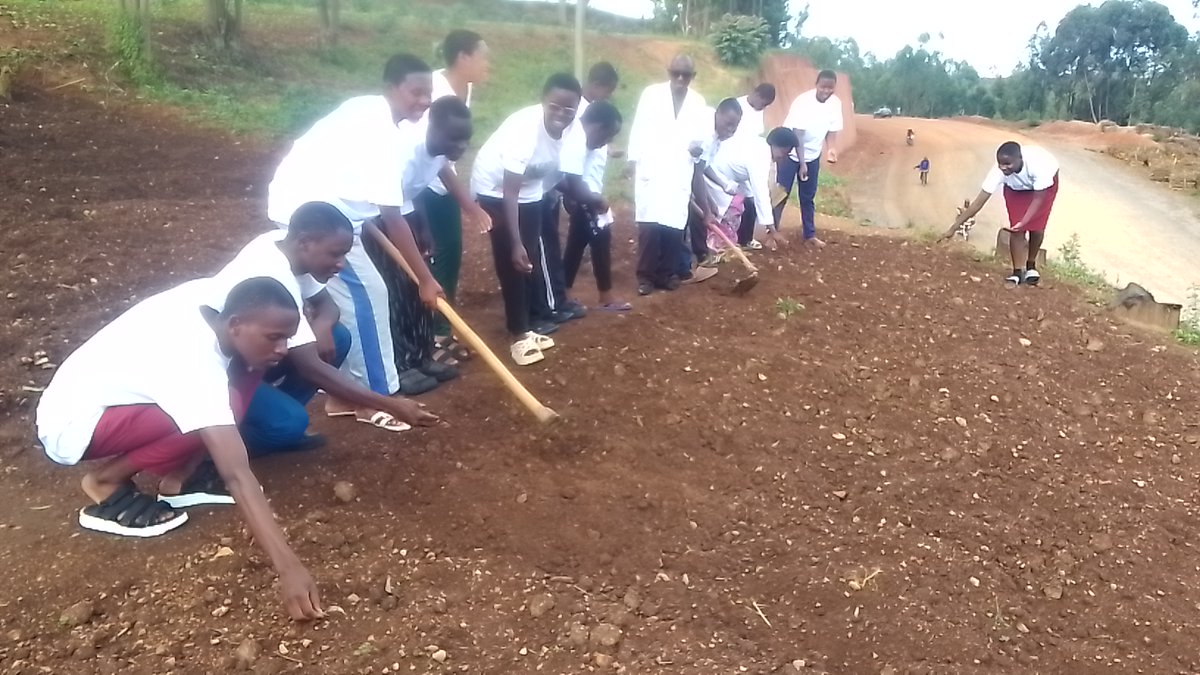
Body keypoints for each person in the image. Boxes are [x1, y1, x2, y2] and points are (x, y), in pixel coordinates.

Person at [36, 276, 324, 620]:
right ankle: (104, 482)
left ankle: (181, 477)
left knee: (235, 385)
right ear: (234, 324)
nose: (283, 349)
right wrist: (288, 566)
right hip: (73, 423)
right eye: (274, 338)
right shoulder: (192, 364)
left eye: (286, 338)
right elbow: (236, 474)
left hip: (118, 400)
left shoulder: (216, 302)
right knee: (217, 409)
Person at [267, 54, 443, 399]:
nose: (424, 101)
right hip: (314, 211)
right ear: (391, 88)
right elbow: (394, 217)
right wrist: (425, 279)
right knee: (369, 295)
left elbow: (354, 179)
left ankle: (343, 388)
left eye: (428, 93)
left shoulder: (367, 109)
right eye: (415, 92)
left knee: (340, 298)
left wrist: (360, 216)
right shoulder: (382, 136)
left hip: (310, 203)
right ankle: (376, 391)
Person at [215, 202, 438, 452]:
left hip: (250, 355)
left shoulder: (282, 244)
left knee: (337, 336)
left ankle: (271, 415)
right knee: (290, 424)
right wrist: (390, 404)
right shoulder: (274, 274)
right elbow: (310, 368)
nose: (341, 263)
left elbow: (328, 305)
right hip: (222, 371)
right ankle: (219, 444)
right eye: (335, 254)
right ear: (305, 243)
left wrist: (321, 327)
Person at [364, 96, 484, 382]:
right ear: (433, 128)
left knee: (415, 290)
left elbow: (419, 187)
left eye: (465, 140)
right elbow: (389, 211)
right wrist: (426, 279)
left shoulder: (439, 151)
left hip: (399, 213)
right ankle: (401, 365)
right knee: (395, 291)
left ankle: (422, 355)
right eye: (454, 139)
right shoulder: (404, 151)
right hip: (371, 218)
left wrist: (424, 227)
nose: (461, 146)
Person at [471, 73, 581, 366]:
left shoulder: (571, 129)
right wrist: (515, 241)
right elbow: (509, 192)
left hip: (531, 188)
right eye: (555, 106)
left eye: (568, 109)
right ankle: (517, 332)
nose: (561, 114)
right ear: (544, 100)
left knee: (528, 258)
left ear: (577, 107)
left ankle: (526, 323)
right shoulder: (525, 130)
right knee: (512, 257)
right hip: (495, 189)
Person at [418, 30, 492, 364]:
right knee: (437, 258)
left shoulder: (464, 89)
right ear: (463, 58)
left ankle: (441, 331)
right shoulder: (435, 90)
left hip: (442, 182)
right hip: (424, 187)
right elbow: (435, 160)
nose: (487, 63)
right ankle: (433, 336)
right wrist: (469, 205)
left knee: (451, 255)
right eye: (483, 56)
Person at [530, 61, 623, 324]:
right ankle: (592, 296)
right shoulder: (578, 117)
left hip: (572, 187)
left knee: (573, 242)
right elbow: (569, 169)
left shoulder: (590, 114)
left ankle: (563, 294)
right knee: (592, 237)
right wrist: (586, 198)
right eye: (608, 90)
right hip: (574, 189)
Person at [627, 54, 710, 296]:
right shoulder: (651, 95)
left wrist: (697, 149)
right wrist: (633, 162)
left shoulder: (698, 101)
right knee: (650, 226)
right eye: (676, 73)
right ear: (669, 72)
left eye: (686, 74)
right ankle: (646, 277)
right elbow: (638, 128)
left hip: (679, 170)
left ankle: (666, 274)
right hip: (652, 168)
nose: (681, 78)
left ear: (693, 77)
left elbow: (701, 138)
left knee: (674, 226)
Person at [942, 141, 1060, 286]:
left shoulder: (1039, 167)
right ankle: (1017, 272)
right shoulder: (998, 172)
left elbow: (1038, 199)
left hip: (1044, 188)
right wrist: (953, 228)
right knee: (1016, 229)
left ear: (1020, 159)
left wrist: (1025, 222)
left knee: (1037, 226)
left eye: (1007, 164)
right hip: (1015, 189)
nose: (1003, 167)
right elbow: (978, 203)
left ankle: (1031, 266)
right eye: (1000, 163)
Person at [559, 100, 628, 312]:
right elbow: (572, 181)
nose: (607, 142)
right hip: (574, 194)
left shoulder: (581, 136)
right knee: (600, 236)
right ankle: (605, 297)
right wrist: (597, 201)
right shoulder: (577, 139)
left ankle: (564, 292)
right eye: (608, 136)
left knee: (577, 241)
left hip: (574, 192)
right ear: (598, 128)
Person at [700, 99, 777, 258]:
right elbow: (760, 191)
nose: (731, 130)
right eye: (728, 124)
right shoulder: (704, 135)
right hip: (701, 182)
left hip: (716, 181)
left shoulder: (718, 138)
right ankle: (700, 255)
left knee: (724, 213)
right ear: (718, 114)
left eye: (735, 126)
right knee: (700, 220)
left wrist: (723, 185)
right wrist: (771, 228)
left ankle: (709, 250)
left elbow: (704, 165)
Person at [781, 69, 844, 249]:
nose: (826, 91)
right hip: (790, 152)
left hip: (813, 155)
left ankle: (810, 235)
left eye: (830, 87)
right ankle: (772, 233)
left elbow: (832, 130)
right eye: (823, 86)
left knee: (808, 197)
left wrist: (831, 148)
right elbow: (797, 135)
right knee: (781, 193)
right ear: (816, 84)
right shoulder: (803, 102)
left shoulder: (835, 103)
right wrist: (802, 164)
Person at [731, 83, 777, 250]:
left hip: (749, 162)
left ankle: (745, 239)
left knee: (751, 200)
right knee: (730, 201)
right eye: (763, 103)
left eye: (766, 105)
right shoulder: (736, 106)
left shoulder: (759, 111)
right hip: (732, 159)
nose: (763, 107)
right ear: (755, 94)